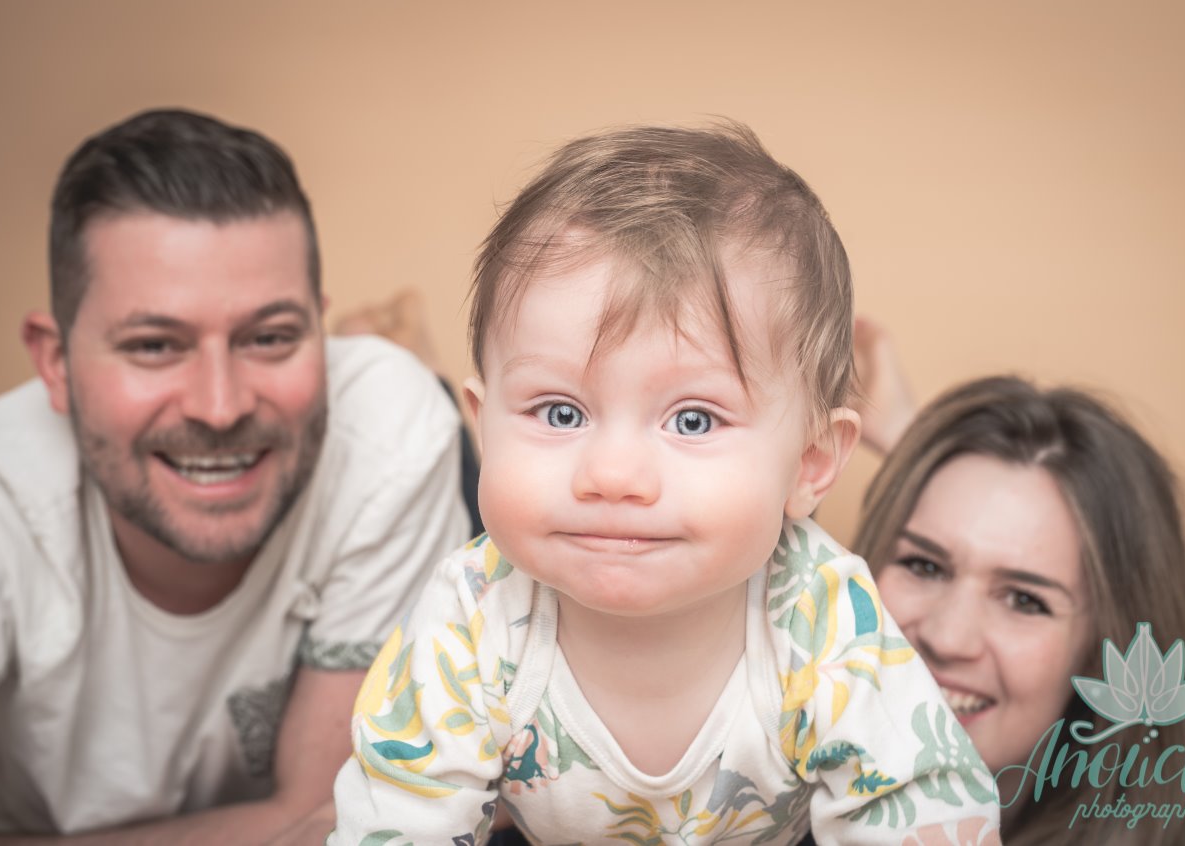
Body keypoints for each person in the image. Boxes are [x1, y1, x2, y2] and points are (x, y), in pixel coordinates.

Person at [328, 122, 1001, 845]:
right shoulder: (471, 617)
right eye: (560, 412)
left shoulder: (823, 620)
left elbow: (926, 809)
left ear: (810, 463)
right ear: (485, 430)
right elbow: (397, 819)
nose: (613, 475)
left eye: (692, 421)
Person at [0, 109, 471, 844]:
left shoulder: (388, 430)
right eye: (154, 346)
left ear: (317, 330)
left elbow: (329, 817)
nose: (219, 408)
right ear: (55, 362)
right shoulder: (8, 498)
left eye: (270, 337)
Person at [852, 356, 1185, 844]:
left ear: (1105, 650)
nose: (947, 637)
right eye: (924, 565)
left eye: (1024, 600)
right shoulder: (795, 734)